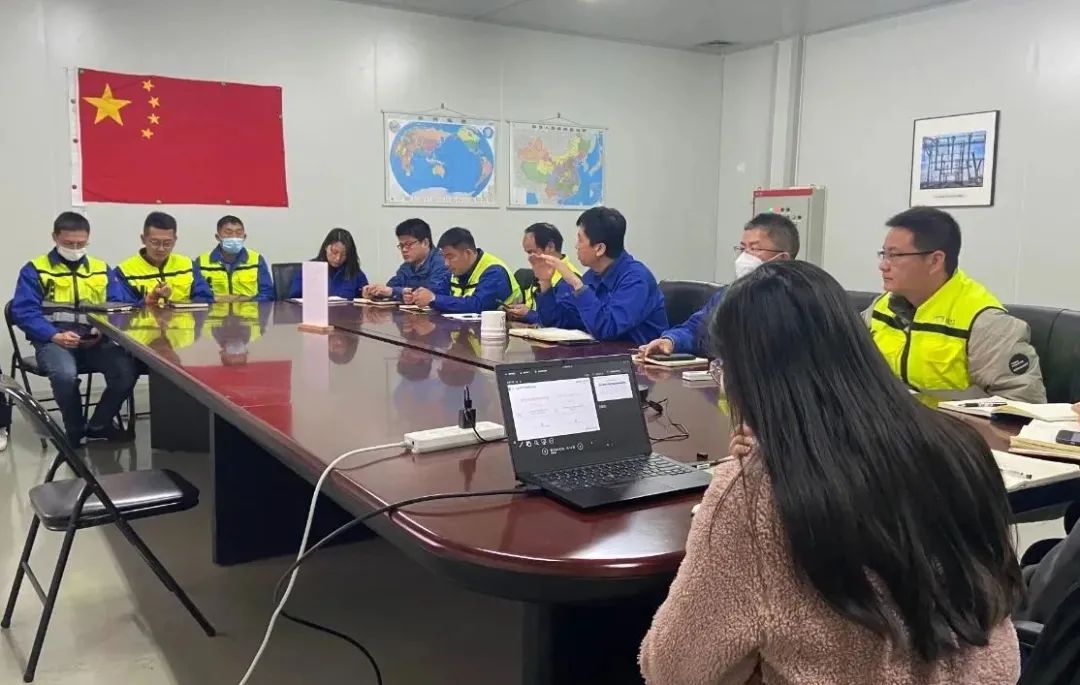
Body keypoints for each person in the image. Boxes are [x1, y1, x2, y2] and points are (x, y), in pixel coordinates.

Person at [640, 260, 1022, 684]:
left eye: (722, 366)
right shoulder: (960, 448)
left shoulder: (755, 495)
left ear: (749, 377)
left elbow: (674, 670)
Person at [865, 207, 1045, 402]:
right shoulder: (881, 307)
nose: (883, 265)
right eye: (883, 254)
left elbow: (1023, 405)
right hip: (888, 417)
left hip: (949, 422)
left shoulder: (984, 322)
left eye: (895, 255)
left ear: (935, 261)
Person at [11, 211, 138, 444]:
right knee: (64, 375)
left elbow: (118, 305)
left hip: (95, 340)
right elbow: (23, 311)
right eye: (69, 243)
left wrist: (104, 330)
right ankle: (75, 431)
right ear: (55, 237)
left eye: (81, 243)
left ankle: (99, 425)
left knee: (126, 371)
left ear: (88, 239)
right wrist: (53, 335)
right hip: (54, 341)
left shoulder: (101, 268)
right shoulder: (35, 269)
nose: (75, 248)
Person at [639, 213, 799, 358]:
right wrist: (671, 341)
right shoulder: (729, 294)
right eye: (742, 248)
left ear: (782, 259)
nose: (745, 256)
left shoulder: (798, 302)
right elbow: (696, 329)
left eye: (754, 249)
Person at [531, 207, 667, 344]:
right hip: (602, 353)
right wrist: (545, 283)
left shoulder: (636, 279)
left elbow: (608, 329)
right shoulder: (593, 275)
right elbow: (561, 323)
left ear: (600, 249)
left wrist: (575, 283)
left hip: (636, 355)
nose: (576, 246)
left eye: (580, 240)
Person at [410, 227, 520, 313]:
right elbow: (438, 291)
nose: (446, 264)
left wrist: (434, 299)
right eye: (444, 257)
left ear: (468, 253)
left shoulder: (495, 271)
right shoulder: (455, 271)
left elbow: (478, 306)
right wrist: (416, 295)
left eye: (450, 257)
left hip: (508, 330)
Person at [115, 211, 215, 305]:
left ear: (175, 240)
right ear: (143, 239)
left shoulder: (188, 265)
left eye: (167, 243)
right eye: (155, 242)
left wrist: (174, 304)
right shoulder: (124, 271)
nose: (161, 249)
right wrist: (148, 301)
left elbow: (206, 299)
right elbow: (121, 308)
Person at [505, 222, 580, 325]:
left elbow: (563, 323)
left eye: (531, 252)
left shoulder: (569, 279)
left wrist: (529, 314)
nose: (529, 257)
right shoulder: (538, 274)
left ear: (550, 247)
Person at [362, 218, 450, 301]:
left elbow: (431, 293)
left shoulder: (442, 262)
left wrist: (393, 292)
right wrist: (376, 292)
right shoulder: (407, 265)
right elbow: (392, 286)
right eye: (401, 245)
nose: (404, 250)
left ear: (425, 243)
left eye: (408, 244)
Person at [195, 215, 274, 302]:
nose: (234, 237)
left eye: (239, 233)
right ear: (217, 237)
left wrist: (244, 301)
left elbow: (267, 294)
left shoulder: (256, 259)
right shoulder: (202, 262)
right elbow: (198, 297)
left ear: (244, 237)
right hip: (216, 310)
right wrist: (218, 300)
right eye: (228, 233)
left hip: (250, 309)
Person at [288, 228, 368, 299]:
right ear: (326, 247)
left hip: (346, 311)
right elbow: (294, 298)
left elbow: (364, 298)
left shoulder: (355, 272)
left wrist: (367, 294)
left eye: (344, 254)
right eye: (334, 252)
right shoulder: (310, 269)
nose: (338, 258)